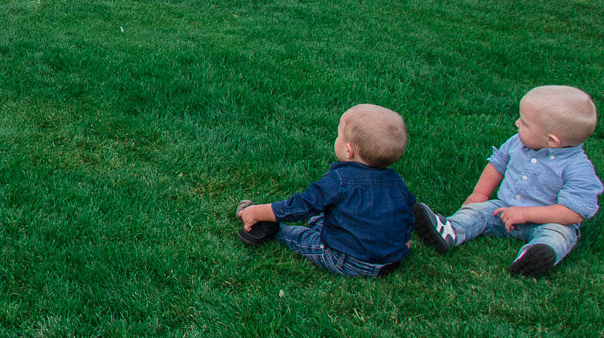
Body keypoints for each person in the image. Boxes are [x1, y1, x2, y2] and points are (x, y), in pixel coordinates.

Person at [413, 85, 601, 278]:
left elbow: (574, 213)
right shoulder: (517, 143)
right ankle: (449, 230)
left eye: (525, 123)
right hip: (504, 208)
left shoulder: (578, 170)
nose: (517, 123)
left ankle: (533, 256)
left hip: (550, 221)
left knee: (558, 236)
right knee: (477, 212)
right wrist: (480, 194)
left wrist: (525, 213)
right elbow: (497, 166)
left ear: (552, 140)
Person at [237, 104, 415, 278]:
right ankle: (317, 222)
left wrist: (256, 212)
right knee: (324, 212)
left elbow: (300, 206)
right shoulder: (397, 182)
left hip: (347, 259)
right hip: (390, 262)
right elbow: (407, 215)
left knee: (298, 234)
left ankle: (273, 227)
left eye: (339, 136)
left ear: (348, 150)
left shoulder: (340, 180)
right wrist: (404, 245)